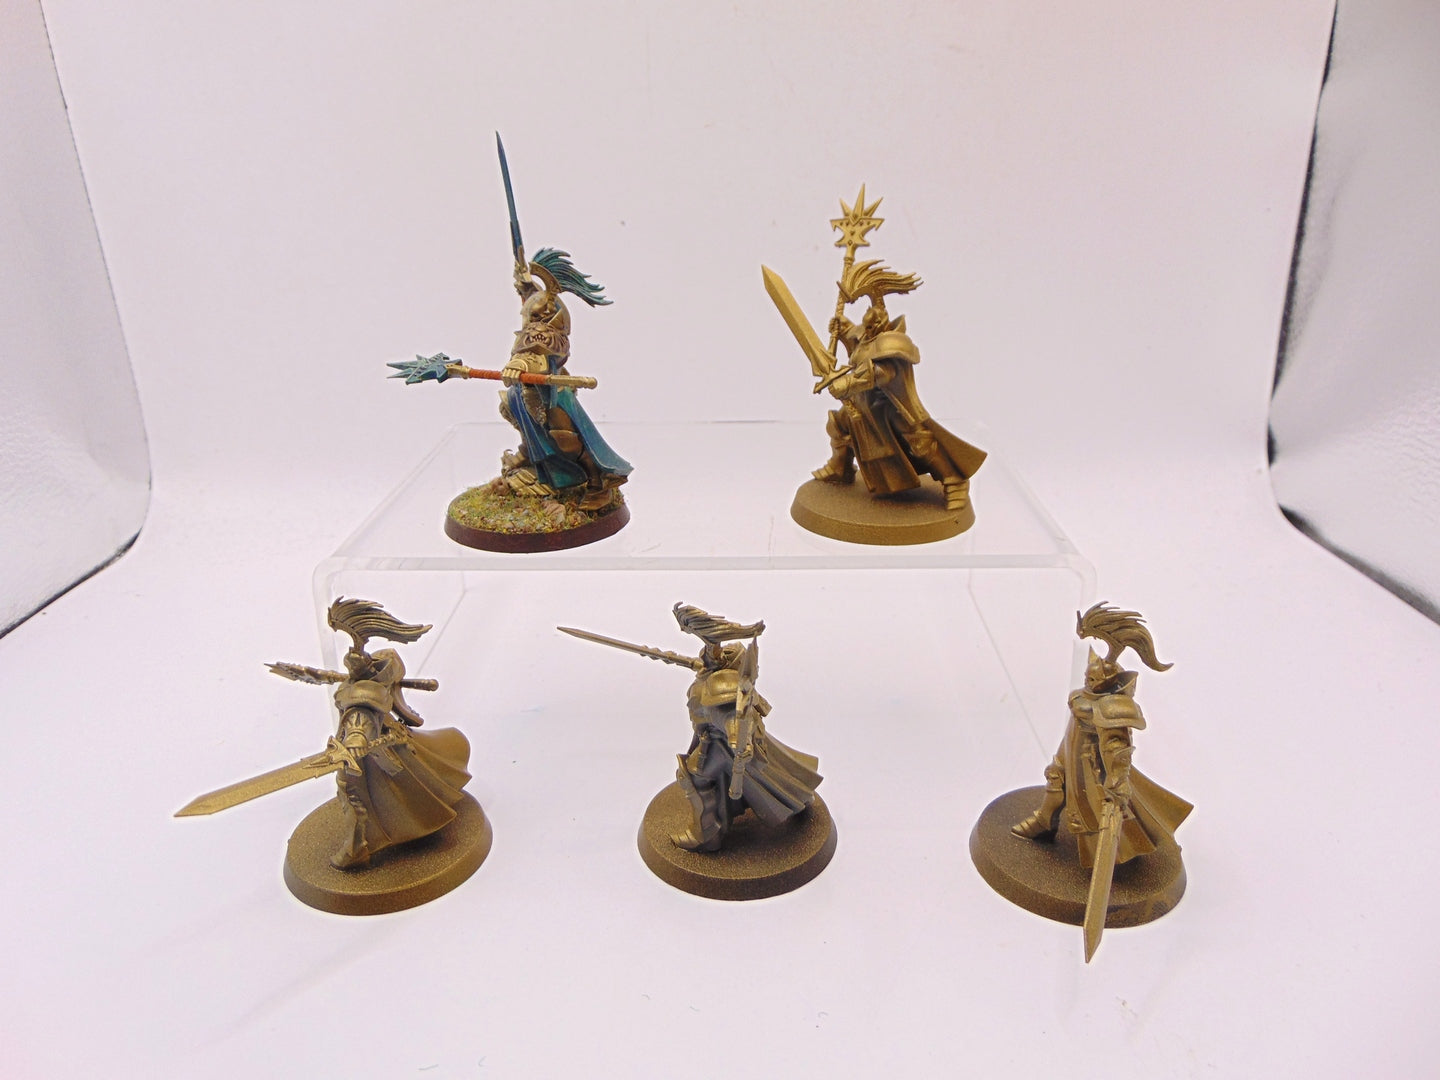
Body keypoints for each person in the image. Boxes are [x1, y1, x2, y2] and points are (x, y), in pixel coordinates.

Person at [1011, 603, 1193, 868]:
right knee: (1055, 780)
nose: (1089, 681)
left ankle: (1114, 855)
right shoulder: (1081, 698)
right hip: (1069, 753)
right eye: (1089, 677)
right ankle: (1044, 821)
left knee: (1092, 814)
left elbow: (1116, 746)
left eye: (1095, 679)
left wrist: (1117, 779)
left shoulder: (1112, 708)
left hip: (1092, 767)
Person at [814, 260, 986, 512]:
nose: (866, 330)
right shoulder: (866, 335)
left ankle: (954, 479)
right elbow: (857, 345)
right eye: (866, 326)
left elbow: (882, 372)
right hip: (865, 403)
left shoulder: (894, 342)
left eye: (871, 327)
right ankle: (841, 467)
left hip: (890, 406)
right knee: (838, 425)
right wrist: (842, 329)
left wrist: (847, 383)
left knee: (920, 441)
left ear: (881, 323)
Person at [316, 598, 472, 870]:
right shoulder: (361, 686)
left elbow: (361, 721)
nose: (352, 664)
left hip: (376, 749)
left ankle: (356, 848)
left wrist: (355, 741)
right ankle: (359, 845)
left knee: (359, 794)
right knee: (368, 794)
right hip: (369, 749)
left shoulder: (367, 693)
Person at [667, 604, 823, 852]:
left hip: (720, 746)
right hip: (714, 741)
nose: (705, 657)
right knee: (770, 779)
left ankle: (707, 834)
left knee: (694, 776)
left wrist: (737, 740)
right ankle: (797, 798)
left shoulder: (721, 685)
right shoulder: (710, 673)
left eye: (711, 653)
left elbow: (731, 716)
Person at [498, 248, 631, 510]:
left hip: (552, 391)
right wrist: (524, 280)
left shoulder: (552, 331)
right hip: (526, 390)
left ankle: (597, 482)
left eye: (539, 315)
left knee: (566, 440)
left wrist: (519, 364)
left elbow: (541, 354)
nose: (533, 318)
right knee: (514, 411)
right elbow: (531, 298)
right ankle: (529, 459)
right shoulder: (538, 305)